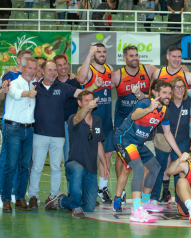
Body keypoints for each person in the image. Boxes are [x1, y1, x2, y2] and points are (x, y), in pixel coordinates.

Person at [27, 60, 103, 210]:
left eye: (54, 70)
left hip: (58, 135)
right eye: (50, 70)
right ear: (42, 71)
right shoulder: (34, 87)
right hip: (39, 134)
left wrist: (95, 86)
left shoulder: (63, 87)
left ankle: (54, 196)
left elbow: (81, 94)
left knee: (56, 167)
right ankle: (33, 196)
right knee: (36, 166)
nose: (53, 72)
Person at [114, 81, 183, 223]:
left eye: (170, 93)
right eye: (164, 92)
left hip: (138, 144)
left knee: (155, 167)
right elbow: (134, 116)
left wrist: (180, 154)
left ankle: (145, 202)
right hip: (124, 140)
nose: (168, 96)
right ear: (156, 93)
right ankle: (136, 209)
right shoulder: (145, 102)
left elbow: (168, 134)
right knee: (138, 168)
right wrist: (149, 108)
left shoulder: (165, 111)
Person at [45, 91, 110, 219]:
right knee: (78, 170)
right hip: (74, 164)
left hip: (91, 168)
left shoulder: (97, 121)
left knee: (89, 208)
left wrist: (105, 165)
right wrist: (87, 108)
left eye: (92, 100)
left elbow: (99, 145)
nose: (90, 103)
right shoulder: (73, 118)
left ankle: (62, 201)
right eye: (86, 100)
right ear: (79, 103)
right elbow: (78, 117)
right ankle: (75, 206)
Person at [77, 43, 115, 204]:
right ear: (93, 54)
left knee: (107, 155)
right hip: (90, 119)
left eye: (104, 52)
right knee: (90, 157)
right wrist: (88, 56)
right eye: (98, 52)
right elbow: (80, 80)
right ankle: (86, 189)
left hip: (106, 119)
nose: (102, 54)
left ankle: (102, 188)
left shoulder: (109, 68)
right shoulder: (87, 69)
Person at [147, 76, 191, 206]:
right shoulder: (166, 102)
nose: (180, 89)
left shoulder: (189, 101)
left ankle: (180, 198)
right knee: (159, 168)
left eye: (182, 86)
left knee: (179, 169)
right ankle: (154, 197)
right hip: (163, 139)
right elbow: (148, 99)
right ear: (171, 89)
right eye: (176, 87)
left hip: (182, 140)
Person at [1, 57, 37, 213]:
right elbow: (15, 94)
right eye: (30, 68)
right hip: (13, 129)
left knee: (24, 166)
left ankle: (21, 198)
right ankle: (6, 200)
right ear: (22, 68)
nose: (32, 71)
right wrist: (28, 93)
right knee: (10, 166)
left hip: (29, 130)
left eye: (35, 69)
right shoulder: (13, 83)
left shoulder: (36, 84)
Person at [53, 54, 81, 195]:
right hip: (55, 128)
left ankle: (72, 193)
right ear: (55, 68)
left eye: (64, 64)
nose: (63, 67)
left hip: (71, 127)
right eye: (59, 65)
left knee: (70, 161)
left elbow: (84, 96)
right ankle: (55, 194)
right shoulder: (52, 82)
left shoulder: (75, 81)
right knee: (55, 163)